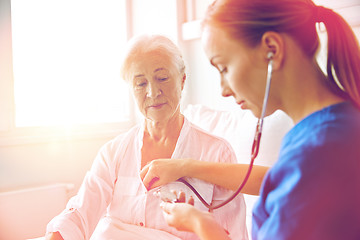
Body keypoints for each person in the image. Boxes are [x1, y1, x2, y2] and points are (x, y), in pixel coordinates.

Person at [141, 0, 360, 239]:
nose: (223, 90)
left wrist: (202, 225)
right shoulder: (336, 129)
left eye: (223, 67)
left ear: (272, 49)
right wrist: (186, 168)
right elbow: (276, 178)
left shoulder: (316, 155)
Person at [45, 34, 249, 240]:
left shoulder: (217, 152)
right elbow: (81, 213)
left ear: (182, 80)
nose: (152, 92)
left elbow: (234, 234)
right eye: (141, 83)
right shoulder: (113, 152)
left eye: (162, 78)